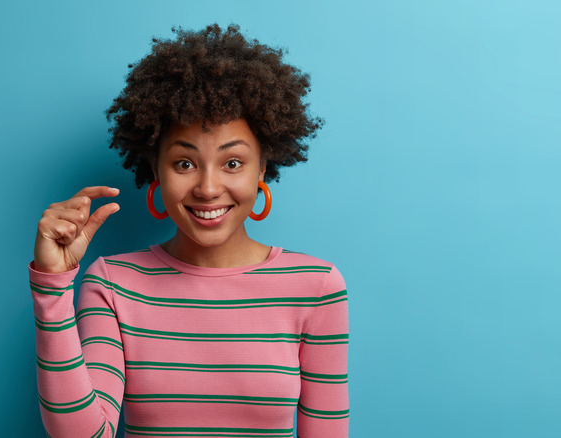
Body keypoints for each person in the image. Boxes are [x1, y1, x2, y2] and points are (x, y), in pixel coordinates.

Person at [29, 24, 349, 438]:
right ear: (156, 170)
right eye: (184, 163)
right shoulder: (112, 284)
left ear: (262, 168)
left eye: (232, 163)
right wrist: (51, 287)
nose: (208, 188)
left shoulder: (315, 287)